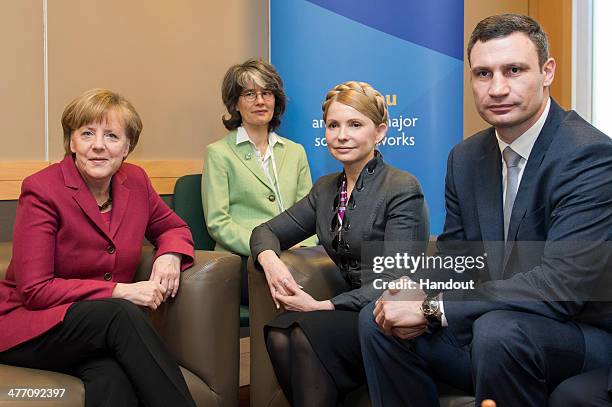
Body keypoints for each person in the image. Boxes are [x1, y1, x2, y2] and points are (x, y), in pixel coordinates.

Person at [359, 13, 612, 407]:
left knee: (498, 331)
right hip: (498, 326)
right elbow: (459, 257)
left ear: (547, 72)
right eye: (482, 74)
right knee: (380, 322)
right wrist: (413, 288)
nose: (497, 88)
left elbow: (562, 288)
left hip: (581, 336)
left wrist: (432, 307)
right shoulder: (466, 157)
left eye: (513, 70)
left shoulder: (587, 155)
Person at [0, 89, 197, 407]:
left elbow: (174, 227)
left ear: (127, 147)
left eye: (112, 136)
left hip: (88, 334)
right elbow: (35, 290)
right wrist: (121, 291)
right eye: (87, 133)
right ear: (72, 142)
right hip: (29, 327)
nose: (98, 145)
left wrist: (170, 255)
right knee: (119, 314)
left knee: (111, 377)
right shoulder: (42, 189)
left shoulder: (136, 181)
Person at [250, 81, 429, 406]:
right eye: (333, 125)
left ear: (380, 132)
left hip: (390, 317)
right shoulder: (326, 189)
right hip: (351, 312)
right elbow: (264, 231)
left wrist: (324, 306)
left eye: (355, 124)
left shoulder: (402, 187)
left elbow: (396, 281)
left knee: (305, 334)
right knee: (279, 332)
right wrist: (270, 260)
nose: (341, 135)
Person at [203, 58, 316, 304]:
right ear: (235, 103)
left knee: (324, 279)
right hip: (244, 259)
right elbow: (218, 222)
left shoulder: (296, 152)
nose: (260, 101)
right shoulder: (219, 153)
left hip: (295, 255)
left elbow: (310, 214)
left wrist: (301, 249)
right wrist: (265, 250)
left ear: (277, 100)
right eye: (250, 94)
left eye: (267, 93)